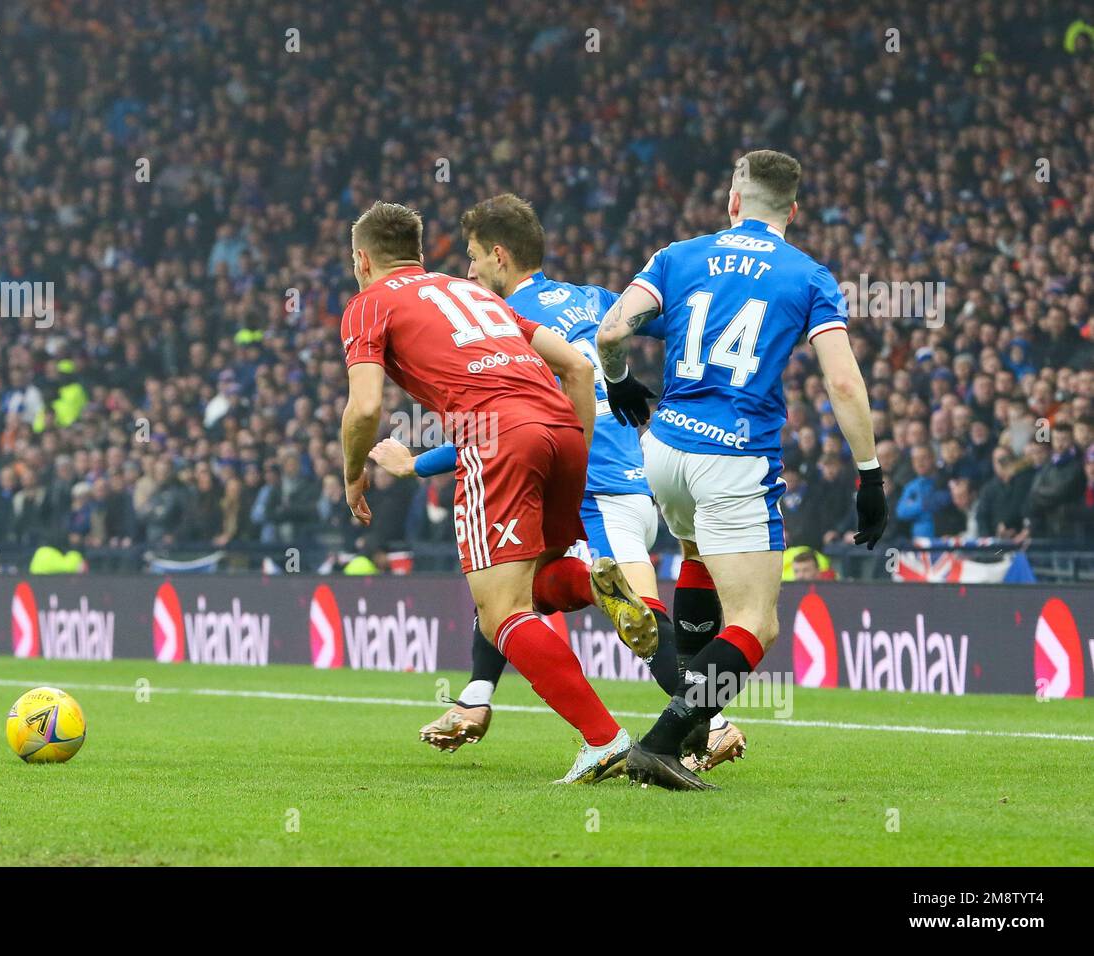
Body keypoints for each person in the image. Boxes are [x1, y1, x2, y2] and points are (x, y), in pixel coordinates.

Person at [369, 194, 743, 772]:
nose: (468, 272)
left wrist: (414, 464)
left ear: (499, 256)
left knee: (636, 618)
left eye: (472, 258)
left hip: (596, 490)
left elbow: (496, 425)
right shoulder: (593, 298)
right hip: (636, 480)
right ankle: (476, 695)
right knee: (512, 583)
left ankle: (711, 722)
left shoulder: (500, 323)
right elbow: (667, 325)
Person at [596, 149, 888, 790]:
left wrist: (619, 384)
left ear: (733, 203)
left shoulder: (677, 255)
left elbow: (613, 331)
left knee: (697, 558)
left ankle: (694, 733)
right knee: (756, 624)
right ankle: (664, 741)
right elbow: (842, 380)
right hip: (734, 456)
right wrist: (869, 472)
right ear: (794, 209)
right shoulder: (808, 275)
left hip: (665, 449)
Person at [339, 200, 654, 783]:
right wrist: (574, 448)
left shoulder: (369, 304)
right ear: (419, 251)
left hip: (498, 439)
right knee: (537, 585)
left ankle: (604, 739)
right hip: (563, 432)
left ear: (362, 259)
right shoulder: (482, 296)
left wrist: (353, 471)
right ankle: (594, 583)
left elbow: (363, 408)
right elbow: (578, 369)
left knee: (501, 615)